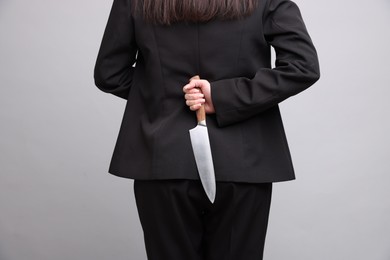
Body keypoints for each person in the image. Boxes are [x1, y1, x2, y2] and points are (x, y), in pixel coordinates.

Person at [94, 0, 320, 259]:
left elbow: (109, 73)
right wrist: (223, 97)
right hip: (244, 161)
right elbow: (303, 66)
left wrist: (169, 95)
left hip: (163, 157)